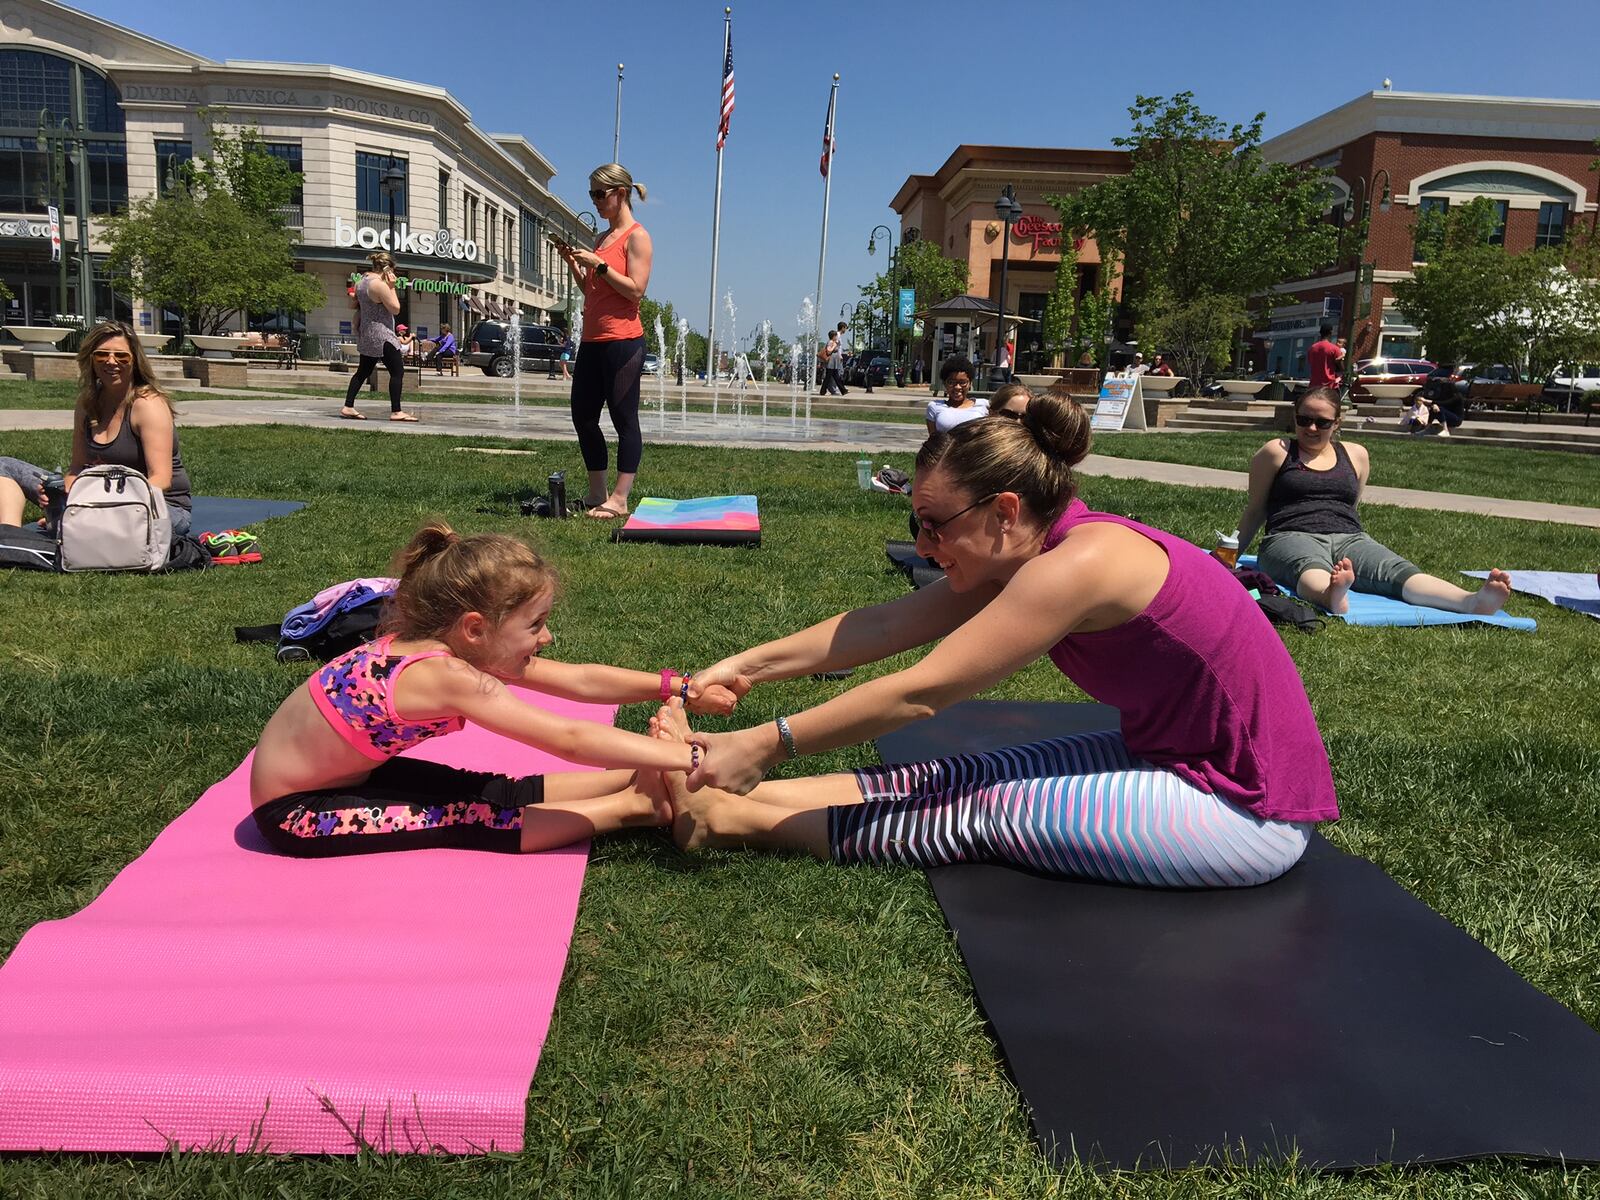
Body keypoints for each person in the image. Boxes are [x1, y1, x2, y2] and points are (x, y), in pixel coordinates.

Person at [659, 391, 1338, 889]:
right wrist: (740, 665)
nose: (923, 544)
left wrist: (765, 742)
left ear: (1004, 512)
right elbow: (887, 625)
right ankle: (717, 796)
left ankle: (723, 819)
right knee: (961, 772)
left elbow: (922, 691)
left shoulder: (1077, 566)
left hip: (1249, 809)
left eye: (934, 524)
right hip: (1173, 757)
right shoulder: (1032, 547)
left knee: (983, 808)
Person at [249, 521, 738, 856]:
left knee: (480, 788)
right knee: (467, 815)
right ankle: (635, 806)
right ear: (476, 627)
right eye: (536, 625)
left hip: (348, 780)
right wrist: (692, 758)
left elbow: (580, 679)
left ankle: (631, 779)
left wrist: (680, 685)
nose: (546, 638)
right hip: (297, 813)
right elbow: (568, 739)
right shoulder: (446, 677)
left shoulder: (450, 648)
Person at [1237, 387, 1511, 616]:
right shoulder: (1277, 451)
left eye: (1321, 422)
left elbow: (1351, 507)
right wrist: (1228, 556)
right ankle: (1331, 595)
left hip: (1349, 536)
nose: (1310, 427)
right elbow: (1256, 509)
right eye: (1303, 419)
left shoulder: (1356, 454)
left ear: (1336, 423)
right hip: (1290, 535)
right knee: (1308, 566)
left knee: (1395, 570)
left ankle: (1471, 601)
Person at [0, 320, 194, 536]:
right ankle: (11, 537)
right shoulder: (87, 403)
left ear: (135, 361)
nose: (111, 362)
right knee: (5, 466)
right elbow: (76, 469)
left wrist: (90, 504)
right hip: (95, 496)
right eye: (102, 355)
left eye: (121, 356)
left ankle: (73, 522)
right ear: (91, 360)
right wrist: (60, 491)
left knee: (99, 522)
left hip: (157, 507)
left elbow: (160, 480)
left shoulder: (147, 405)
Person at [555, 163, 653, 520]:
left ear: (620, 194)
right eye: (591, 194)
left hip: (623, 342)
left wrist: (599, 265)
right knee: (582, 415)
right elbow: (594, 291)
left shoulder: (637, 237)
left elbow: (636, 291)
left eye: (600, 194)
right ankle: (597, 492)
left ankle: (620, 498)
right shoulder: (602, 239)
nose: (595, 201)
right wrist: (576, 266)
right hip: (593, 342)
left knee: (624, 418)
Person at [342, 251, 415, 422]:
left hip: (367, 332)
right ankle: (396, 411)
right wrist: (391, 286)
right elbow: (396, 308)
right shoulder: (379, 285)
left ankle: (348, 406)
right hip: (382, 335)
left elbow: (353, 304)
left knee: (363, 371)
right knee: (397, 371)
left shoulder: (361, 282)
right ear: (387, 269)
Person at [925, 356, 988, 436]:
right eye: (951, 382)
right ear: (945, 383)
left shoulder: (984, 405)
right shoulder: (934, 407)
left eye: (962, 382)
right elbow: (933, 441)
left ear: (970, 383)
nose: (957, 387)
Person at [1307, 324, 1344, 392]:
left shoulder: (1312, 348)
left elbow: (1310, 362)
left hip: (1314, 386)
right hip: (1330, 386)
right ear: (1330, 332)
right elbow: (1341, 368)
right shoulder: (1334, 349)